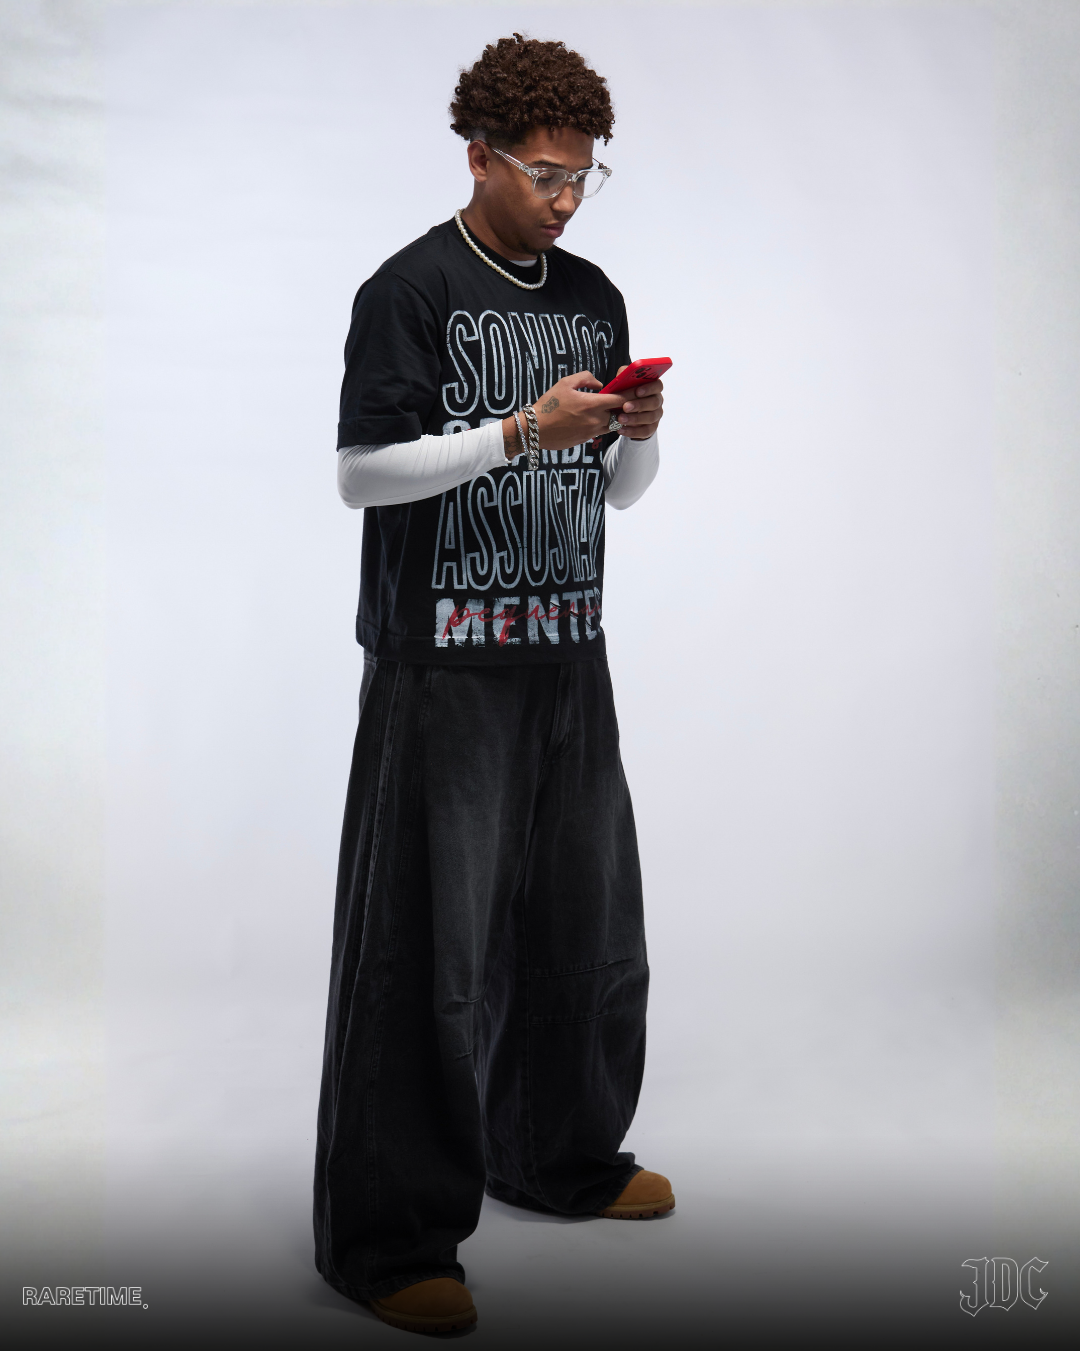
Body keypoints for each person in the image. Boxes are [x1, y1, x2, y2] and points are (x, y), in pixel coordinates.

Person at [313, 33, 671, 1336]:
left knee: (584, 924)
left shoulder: (592, 295)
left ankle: (555, 1155)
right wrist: (520, 430)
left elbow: (615, 497)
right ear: (479, 157)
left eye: (584, 175)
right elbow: (361, 473)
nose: (567, 198)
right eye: (543, 173)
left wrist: (636, 438)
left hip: (567, 644)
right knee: (425, 954)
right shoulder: (408, 291)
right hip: (440, 660)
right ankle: (388, 1238)